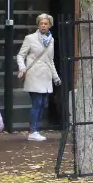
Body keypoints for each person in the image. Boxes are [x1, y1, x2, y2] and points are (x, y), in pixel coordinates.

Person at [17, 13, 61, 141]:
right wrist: (22, 68)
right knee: (37, 103)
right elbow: (20, 55)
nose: (43, 25)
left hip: (46, 76)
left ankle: (36, 129)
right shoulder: (30, 38)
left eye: (45, 23)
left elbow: (50, 60)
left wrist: (56, 77)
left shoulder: (51, 40)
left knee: (42, 103)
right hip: (34, 75)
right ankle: (33, 131)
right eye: (41, 23)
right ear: (38, 25)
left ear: (50, 25)